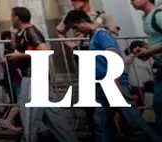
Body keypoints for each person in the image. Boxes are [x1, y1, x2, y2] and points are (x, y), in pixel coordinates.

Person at [62, 9, 161, 142]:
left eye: (75, 27)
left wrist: (115, 84)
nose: (76, 31)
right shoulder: (93, 36)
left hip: (112, 83)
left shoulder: (101, 34)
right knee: (100, 121)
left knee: (134, 121)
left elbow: (113, 57)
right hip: (104, 84)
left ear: (83, 22)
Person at [5, 6, 78, 142]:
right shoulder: (22, 33)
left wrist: (20, 56)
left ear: (17, 18)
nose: (10, 18)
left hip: (34, 78)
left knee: (29, 118)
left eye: (11, 16)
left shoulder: (31, 31)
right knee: (55, 118)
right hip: (36, 78)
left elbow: (44, 51)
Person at [130, 0, 162, 136]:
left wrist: (149, 51)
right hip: (159, 64)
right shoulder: (146, 17)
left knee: (159, 104)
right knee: (158, 104)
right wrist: (147, 51)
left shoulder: (158, 15)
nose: (131, 2)